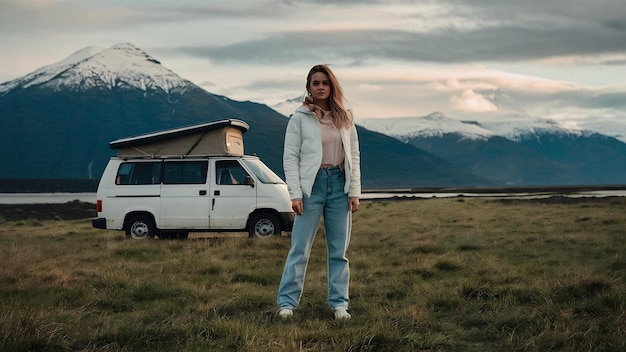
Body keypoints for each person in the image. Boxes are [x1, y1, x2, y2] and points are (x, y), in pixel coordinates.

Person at [277, 64, 361, 320]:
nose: (321, 87)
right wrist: (295, 194)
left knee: (339, 251)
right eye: (316, 83)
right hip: (310, 187)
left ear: (331, 86)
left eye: (325, 82)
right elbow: (290, 157)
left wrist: (354, 191)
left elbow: (353, 155)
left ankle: (339, 305)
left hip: (339, 185)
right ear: (309, 87)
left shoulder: (344, 118)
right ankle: (287, 305)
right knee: (299, 249)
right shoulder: (299, 119)